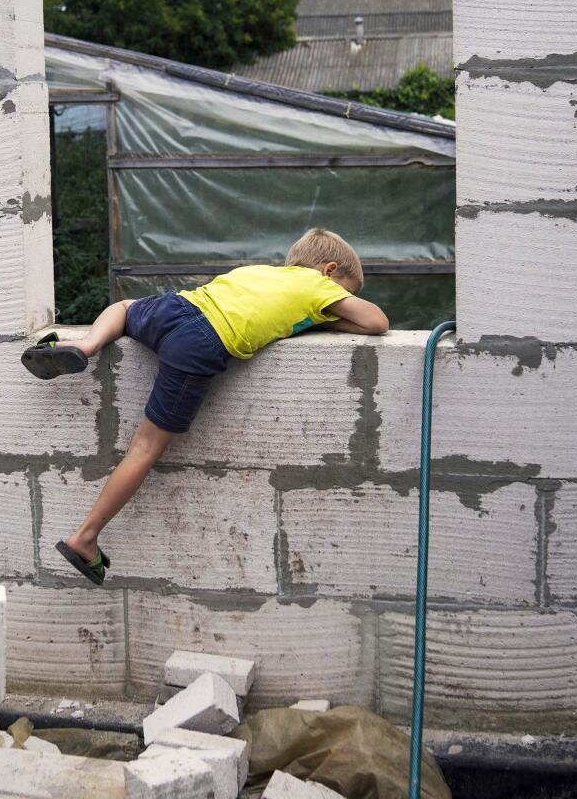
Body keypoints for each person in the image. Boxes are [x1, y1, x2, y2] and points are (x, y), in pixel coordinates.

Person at [21, 227, 390, 584]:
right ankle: (84, 538)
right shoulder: (319, 287)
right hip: (200, 343)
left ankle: (84, 346)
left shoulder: (261, 272)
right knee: (145, 448)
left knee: (124, 307)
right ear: (329, 271)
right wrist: (325, 321)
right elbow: (376, 322)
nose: (337, 305)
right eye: (345, 292)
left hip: (177, 307)